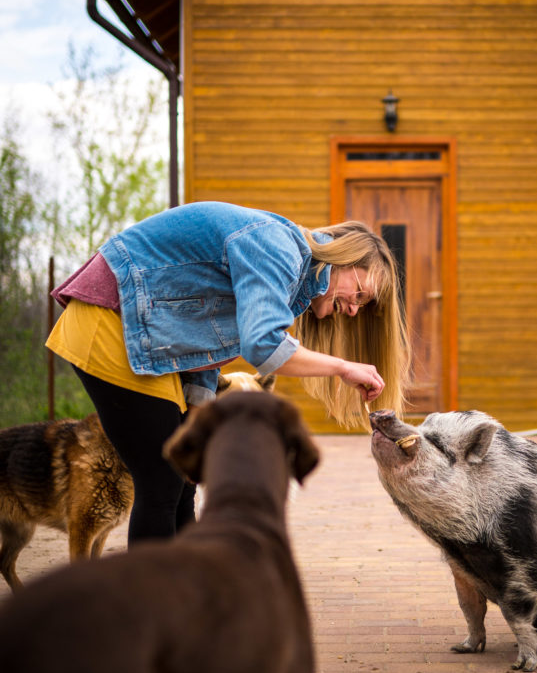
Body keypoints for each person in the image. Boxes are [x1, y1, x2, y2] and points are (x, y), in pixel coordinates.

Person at [47, 201, 409, 543]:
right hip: (111, 319)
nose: (353, 310)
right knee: (161, 482)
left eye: (362, 305)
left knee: (184, 479)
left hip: (144, 336)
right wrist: (342, 367)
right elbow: (262, 345)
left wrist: (196, 413)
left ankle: (191, 584)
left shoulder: (288, 270)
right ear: (345, 258)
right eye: (359, 294)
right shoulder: (278, 247)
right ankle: (154, 590)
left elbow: (202, 336)